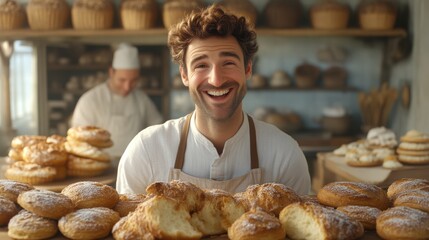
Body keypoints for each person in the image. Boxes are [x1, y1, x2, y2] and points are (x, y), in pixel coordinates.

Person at [116, 5, 311, 195]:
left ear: (248, 69)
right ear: (184, 75)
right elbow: (127, 227)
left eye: (228, 63)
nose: (216, 80)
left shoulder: (285, 155)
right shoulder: (146, 152)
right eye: (201, 65)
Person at [71, 43, 163, 158]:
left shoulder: (142, 99)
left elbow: (159, 130)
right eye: (122, 80)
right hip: (101, 166)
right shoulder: (90, 101)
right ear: (111, 72)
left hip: (135, 165)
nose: (127, 87)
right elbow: (79, 141)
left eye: (133, 81)